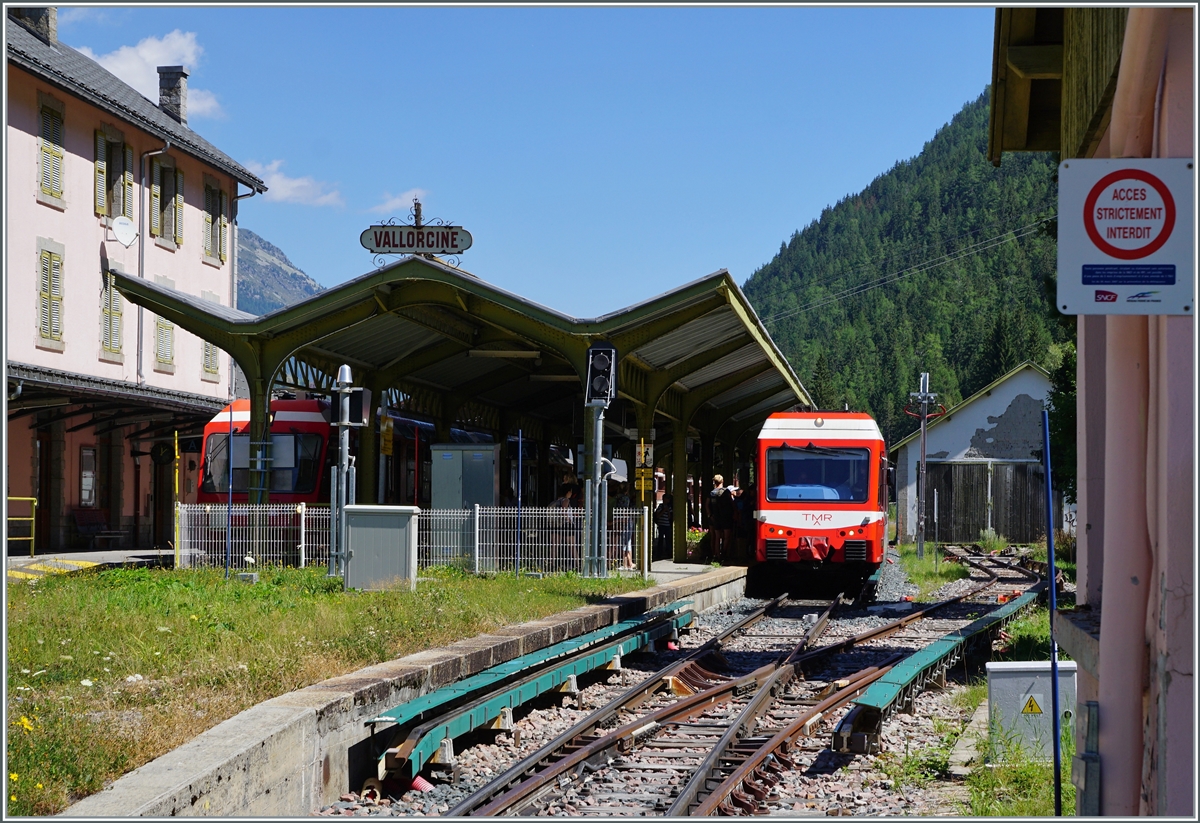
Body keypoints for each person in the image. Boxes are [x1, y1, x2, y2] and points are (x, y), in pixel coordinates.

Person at [705, 474, 737, 563]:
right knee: (727, 536)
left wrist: (710, 515)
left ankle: (717, 555)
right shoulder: (726, 492)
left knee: (717, 536)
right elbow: (732, 503)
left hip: (716, 516)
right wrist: (735, 513)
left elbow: (707, 505)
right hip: (726, 516)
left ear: (714, 482)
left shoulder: (712, 493)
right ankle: (724, 553)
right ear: (722, 481)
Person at [653, 493, 674, 560]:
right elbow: (657, 515)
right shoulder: (660, 506)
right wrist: (664, 510)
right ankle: (659, 553)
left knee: (668, 540)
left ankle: (668, 553)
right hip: (661, 525)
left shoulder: (669, 507)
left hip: (667, 525)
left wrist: (667, 511)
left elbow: (669, 517)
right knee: (660, 539)